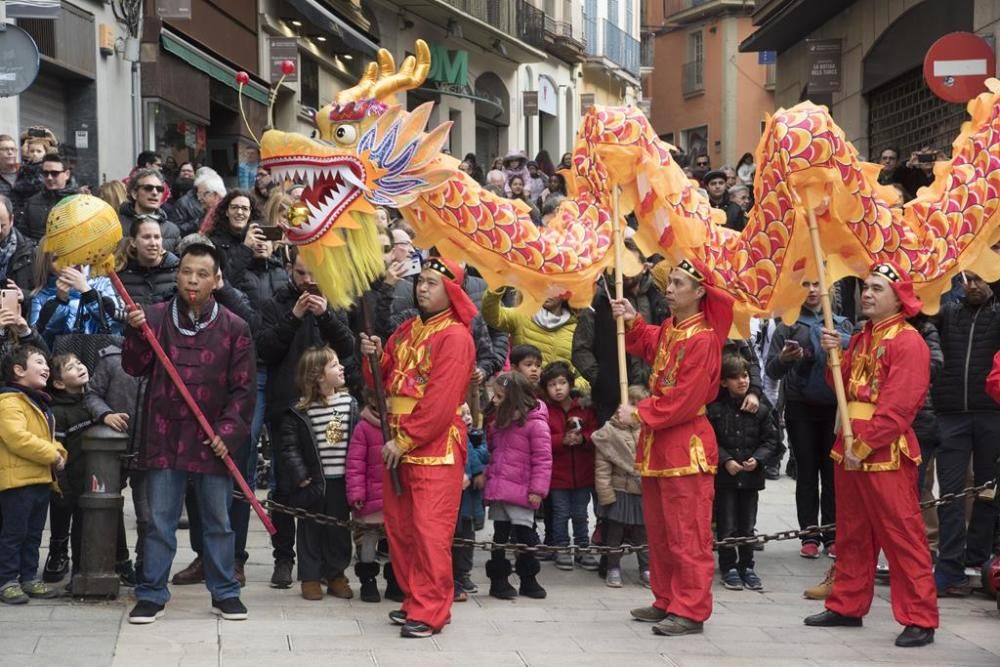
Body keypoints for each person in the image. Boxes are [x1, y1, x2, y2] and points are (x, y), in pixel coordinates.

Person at [803, 262, 938, 648]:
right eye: (866, 287)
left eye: (877, 288)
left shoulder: (908, 341)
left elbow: (898, 408)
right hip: (849, 446)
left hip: (884, 452)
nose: (867, 294)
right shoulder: (862, 337)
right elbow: (842, 389)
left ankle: (920, 617)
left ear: (898, 298)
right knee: (851, 532)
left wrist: (863, 446)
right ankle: (847, 603)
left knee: (902, 535)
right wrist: (833, 357)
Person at [123, 239, 255, 625]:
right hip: (165, 435)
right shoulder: (154, 318)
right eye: (186, 272)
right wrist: (134, 333)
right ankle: (151, 593)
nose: (192, 280)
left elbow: (244, 389)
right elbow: (134, 366)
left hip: (211, 439)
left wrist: (228, 432)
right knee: (159, 521)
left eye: (201, 274)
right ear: (176, 275)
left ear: (216, 280)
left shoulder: (235, 326)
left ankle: (225, 591)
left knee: (218, 521)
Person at [611, 258, 734, 636]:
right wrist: (633, 320)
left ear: (699, 292)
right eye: (671, 281)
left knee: (687, 533)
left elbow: (684, 398)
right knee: (662, 532)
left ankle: (691, 609)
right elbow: (651, 344)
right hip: (660, 443)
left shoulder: (704, 338)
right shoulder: (672, 327)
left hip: (685, 442)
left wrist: (640, 413)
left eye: (679, 283)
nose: (669, 288)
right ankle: (666, 599)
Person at [358, 256, 476, 639]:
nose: (421, 288)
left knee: (429, 531)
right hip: (398, 442)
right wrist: (375, 355)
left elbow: (440, 403)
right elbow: (382, 379)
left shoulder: (456, 337)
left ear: (451, 291)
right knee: (402, 529)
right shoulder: (408, 329)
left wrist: (404, 439)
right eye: (420, 281)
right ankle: (416, 600)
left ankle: (431, 610)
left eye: (431, 283)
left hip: (433, 448)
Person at [256, 247, 356, 589]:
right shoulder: (275, 304)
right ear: (289, 269)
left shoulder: (335, 301)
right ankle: (284, 558)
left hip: (330, 411)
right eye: (301, 273)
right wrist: (294, 317)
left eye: (313, 273)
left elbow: (348, 347)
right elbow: (264, 350)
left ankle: (332, 567)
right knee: (286, 487)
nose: (308, 280)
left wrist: (326, 316)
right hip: (288, 411)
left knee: (331, 493)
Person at [765, 280, 852, 559]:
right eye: (806, 284)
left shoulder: (842, 325)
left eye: (817, 284)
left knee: (832, 474)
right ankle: (809, 534)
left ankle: (832, 534)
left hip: (834, 409)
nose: (813, 290)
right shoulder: (788, 326)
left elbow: (858, 358)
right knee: (806, 473)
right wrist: (785, 359)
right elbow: (772, 371)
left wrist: (842, 342)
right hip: (800, 408)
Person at [931, 270, 1000, 595]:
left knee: (988, 492)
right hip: (951, 415)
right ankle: (949, 567)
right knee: (950, 493)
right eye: (967, 279)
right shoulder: (947, 313)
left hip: (992, 415)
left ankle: (978, 561)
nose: (972, 285)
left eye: (980, 279)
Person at [275, 346, 356, 601]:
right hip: (313, 482)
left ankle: (336, 575)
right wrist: (300, 476)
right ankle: (310, 577)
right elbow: (290, 448)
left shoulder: (349, 404)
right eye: (334, 365)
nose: (341, 368)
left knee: (339, 530)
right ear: (318, 376)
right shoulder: (300, 411)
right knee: (309, 529)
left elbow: (356, 442)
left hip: (340, 480)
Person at [0, 345, 66, 604]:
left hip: (39, 479)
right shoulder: (9, 402)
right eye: (39, 362)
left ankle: (29, 577)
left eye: (46, 363)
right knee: (14, 534)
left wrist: (59, 451)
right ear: (18, 370)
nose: (46, 367)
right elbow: (17, 438)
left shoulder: (37, 401)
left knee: (33, 534)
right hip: (17, 482)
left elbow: (46, 437)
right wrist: (52, 454)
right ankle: (7, 581)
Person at [573, 244, 669, 424]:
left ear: (644, 267)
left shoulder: (659, 299)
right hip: (613, 401)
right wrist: (603, 380)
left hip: (653, 397)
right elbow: (581, 349)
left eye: (630, 264)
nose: (624, 270)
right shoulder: (599, 300)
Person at [708, 353, 779, 592]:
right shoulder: (715, 410)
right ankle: (728, 566)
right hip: (725, 478)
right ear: (724, 382)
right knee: (727, 525)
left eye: (745, 376)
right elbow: (710, 441)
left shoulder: (760, 410)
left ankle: (747, 565)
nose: (742, 381)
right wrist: (725, 460)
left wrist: (757, 460)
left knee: (748, 525)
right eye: (735, 377)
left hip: (750, 478)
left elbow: (772, 441)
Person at [483, 371, 552, 600]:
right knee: (499, 537)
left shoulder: (536, 424)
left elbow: (543, 460)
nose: (495, 400)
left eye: (500, 396)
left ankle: (528, 579)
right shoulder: (498, 422)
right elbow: (493, 452)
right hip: (500, 489)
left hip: (522, 491)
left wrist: (537, 490)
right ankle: (498, 581)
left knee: (526, 537)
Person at [541, 361, 597, 571]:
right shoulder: (546, 410)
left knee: (581, 514)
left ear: (570, 384)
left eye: (562, 383)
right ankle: (561, 547)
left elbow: (596, 433)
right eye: (552, 384)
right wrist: (560, 440)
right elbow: (541, 438)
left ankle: (583, 548)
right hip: (557, 475)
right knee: (561, 513)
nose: (558, 388)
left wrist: (583, 439)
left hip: (583, 473)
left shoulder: (584, 407)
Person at [593, 384, 650, 588]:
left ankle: (646, 568)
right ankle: (613, 567)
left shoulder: (648, 431)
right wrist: (606, 495)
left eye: (639, 405)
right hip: (619, 491)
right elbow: (602, 470)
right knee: (614, 534)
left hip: (641, 490)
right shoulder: (608, 433)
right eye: (630, 403)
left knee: (642, 534)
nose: (633, 409)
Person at [482, 287, 585, 390]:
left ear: (565, 293)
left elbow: (585, 373)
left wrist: (567, 387)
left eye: (554, 288)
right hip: (522, 394)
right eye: (542, 286)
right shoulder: (521, 315)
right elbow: (491, 315)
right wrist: (497, 285)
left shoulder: (576, 328)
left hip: (558, 399)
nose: (547, 292)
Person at [346, 389, 390, 603]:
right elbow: (355, 464)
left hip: (394, 498)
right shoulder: (363, 428)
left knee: (395, 542)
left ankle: (395, 580)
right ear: (372, 399)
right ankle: (368, 580)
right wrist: (356, 493)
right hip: (371, 497)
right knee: (368, 540)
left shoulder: (401, 425)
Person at [30, 250, 123, 349]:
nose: (67, 262)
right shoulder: (40, 297)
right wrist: (59, 301)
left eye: (70, 253)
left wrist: (87, 292)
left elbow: (115, 327)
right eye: (56, 259)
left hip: (105, 353)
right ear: (47, 266)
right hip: (65, 356)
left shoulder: (103, 283)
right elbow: (39, 342)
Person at [453, 404, 487, 601]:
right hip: (454, 499)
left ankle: (463, 574)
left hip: (469, 503)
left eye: (468, 413)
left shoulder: (476, 437)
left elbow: (482, 456)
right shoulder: (456, 434)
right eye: (462, 414)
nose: (466, 417)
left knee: (466, 539)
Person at [118, 169, 182, 253]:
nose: (155, 193)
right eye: (148, 188)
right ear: (134, 194)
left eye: (159, 189)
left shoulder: (172, 230)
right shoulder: (117, 225)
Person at [16, 153, 76, 242]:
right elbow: (22, 236)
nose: (49, 177)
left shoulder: (78, 201)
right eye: (45, 173)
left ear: (67, 174)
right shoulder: (32, 202)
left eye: (54, 173)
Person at [0, 195, 37, 315]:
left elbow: (43, 294)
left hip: (17, 319)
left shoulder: (30, 252)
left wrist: (24, 295)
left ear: (11, 220)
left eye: (2, 226)